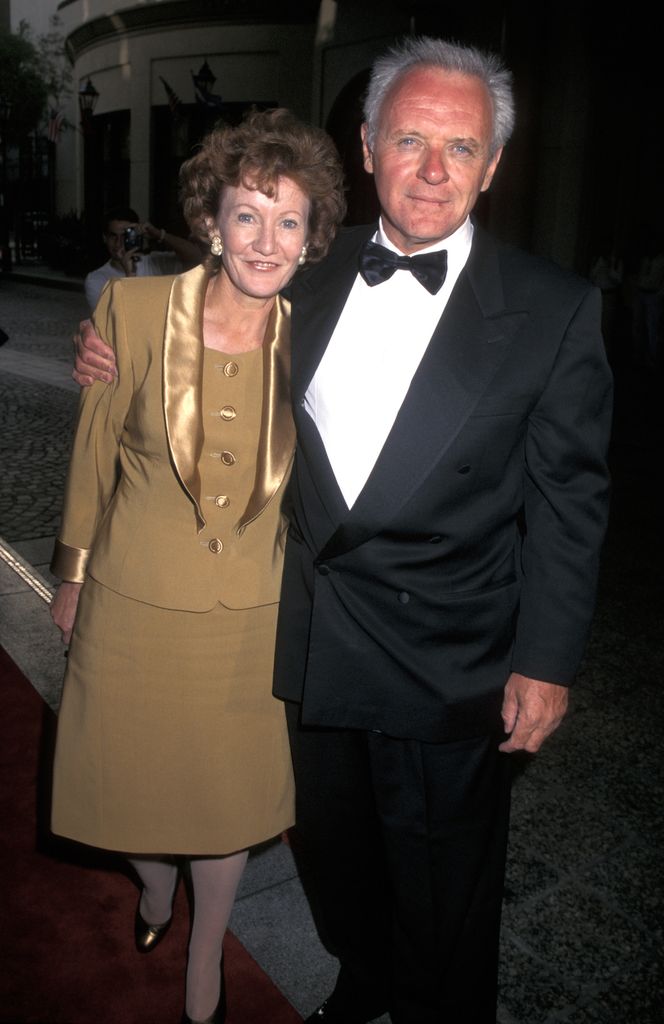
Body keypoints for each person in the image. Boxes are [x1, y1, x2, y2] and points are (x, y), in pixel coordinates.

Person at [73, 36, 613, 1024]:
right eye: (410, 140)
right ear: (366, 148)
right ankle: (363, 976)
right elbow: (200, 319)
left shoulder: (554, 308)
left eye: (461, 147)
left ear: (494, 164)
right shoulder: (303, 276)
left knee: (445, 889)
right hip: (312, 638)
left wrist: (545, 662)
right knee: (336, 855)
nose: (433, 170)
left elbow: (570, 503)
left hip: (446, 657)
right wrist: (109, 340)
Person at [49, 107, 345, 1024]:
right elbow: (95, 451)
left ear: (312, 237)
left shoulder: (317, 336)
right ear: (211, 221)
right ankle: (152, 887)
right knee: (123, 781)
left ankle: (205, 952)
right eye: (247, 214)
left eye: (288, 220)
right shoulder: (132, 312)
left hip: (250, 613)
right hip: (132, 596)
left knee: (225, 800)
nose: (266, 239)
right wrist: (70, 575)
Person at [84, 205, 202, 312]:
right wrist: (129, 275)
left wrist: (159, 234)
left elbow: (197, 257)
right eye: (113, 236)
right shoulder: (96, 279)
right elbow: (110, 322)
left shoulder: (154, 262)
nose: (118, 243)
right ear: (105, 238)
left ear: (135, 235)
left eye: (125, 236)